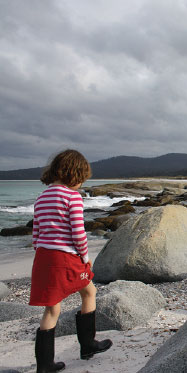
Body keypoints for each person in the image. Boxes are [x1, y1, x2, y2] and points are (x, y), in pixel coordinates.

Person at [29, 149, 112, 372]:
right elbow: (78, 232)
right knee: (89, 292)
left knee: (52, 309)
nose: (82, 184)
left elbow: (36, 232)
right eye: (82, 179)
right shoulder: (72, 197)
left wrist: (42, 251)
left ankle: (44, 365)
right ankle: (88, 345)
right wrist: (85, 257)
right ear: (74, 174)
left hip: (44, 257)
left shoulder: (42, 197)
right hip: (67, 257)